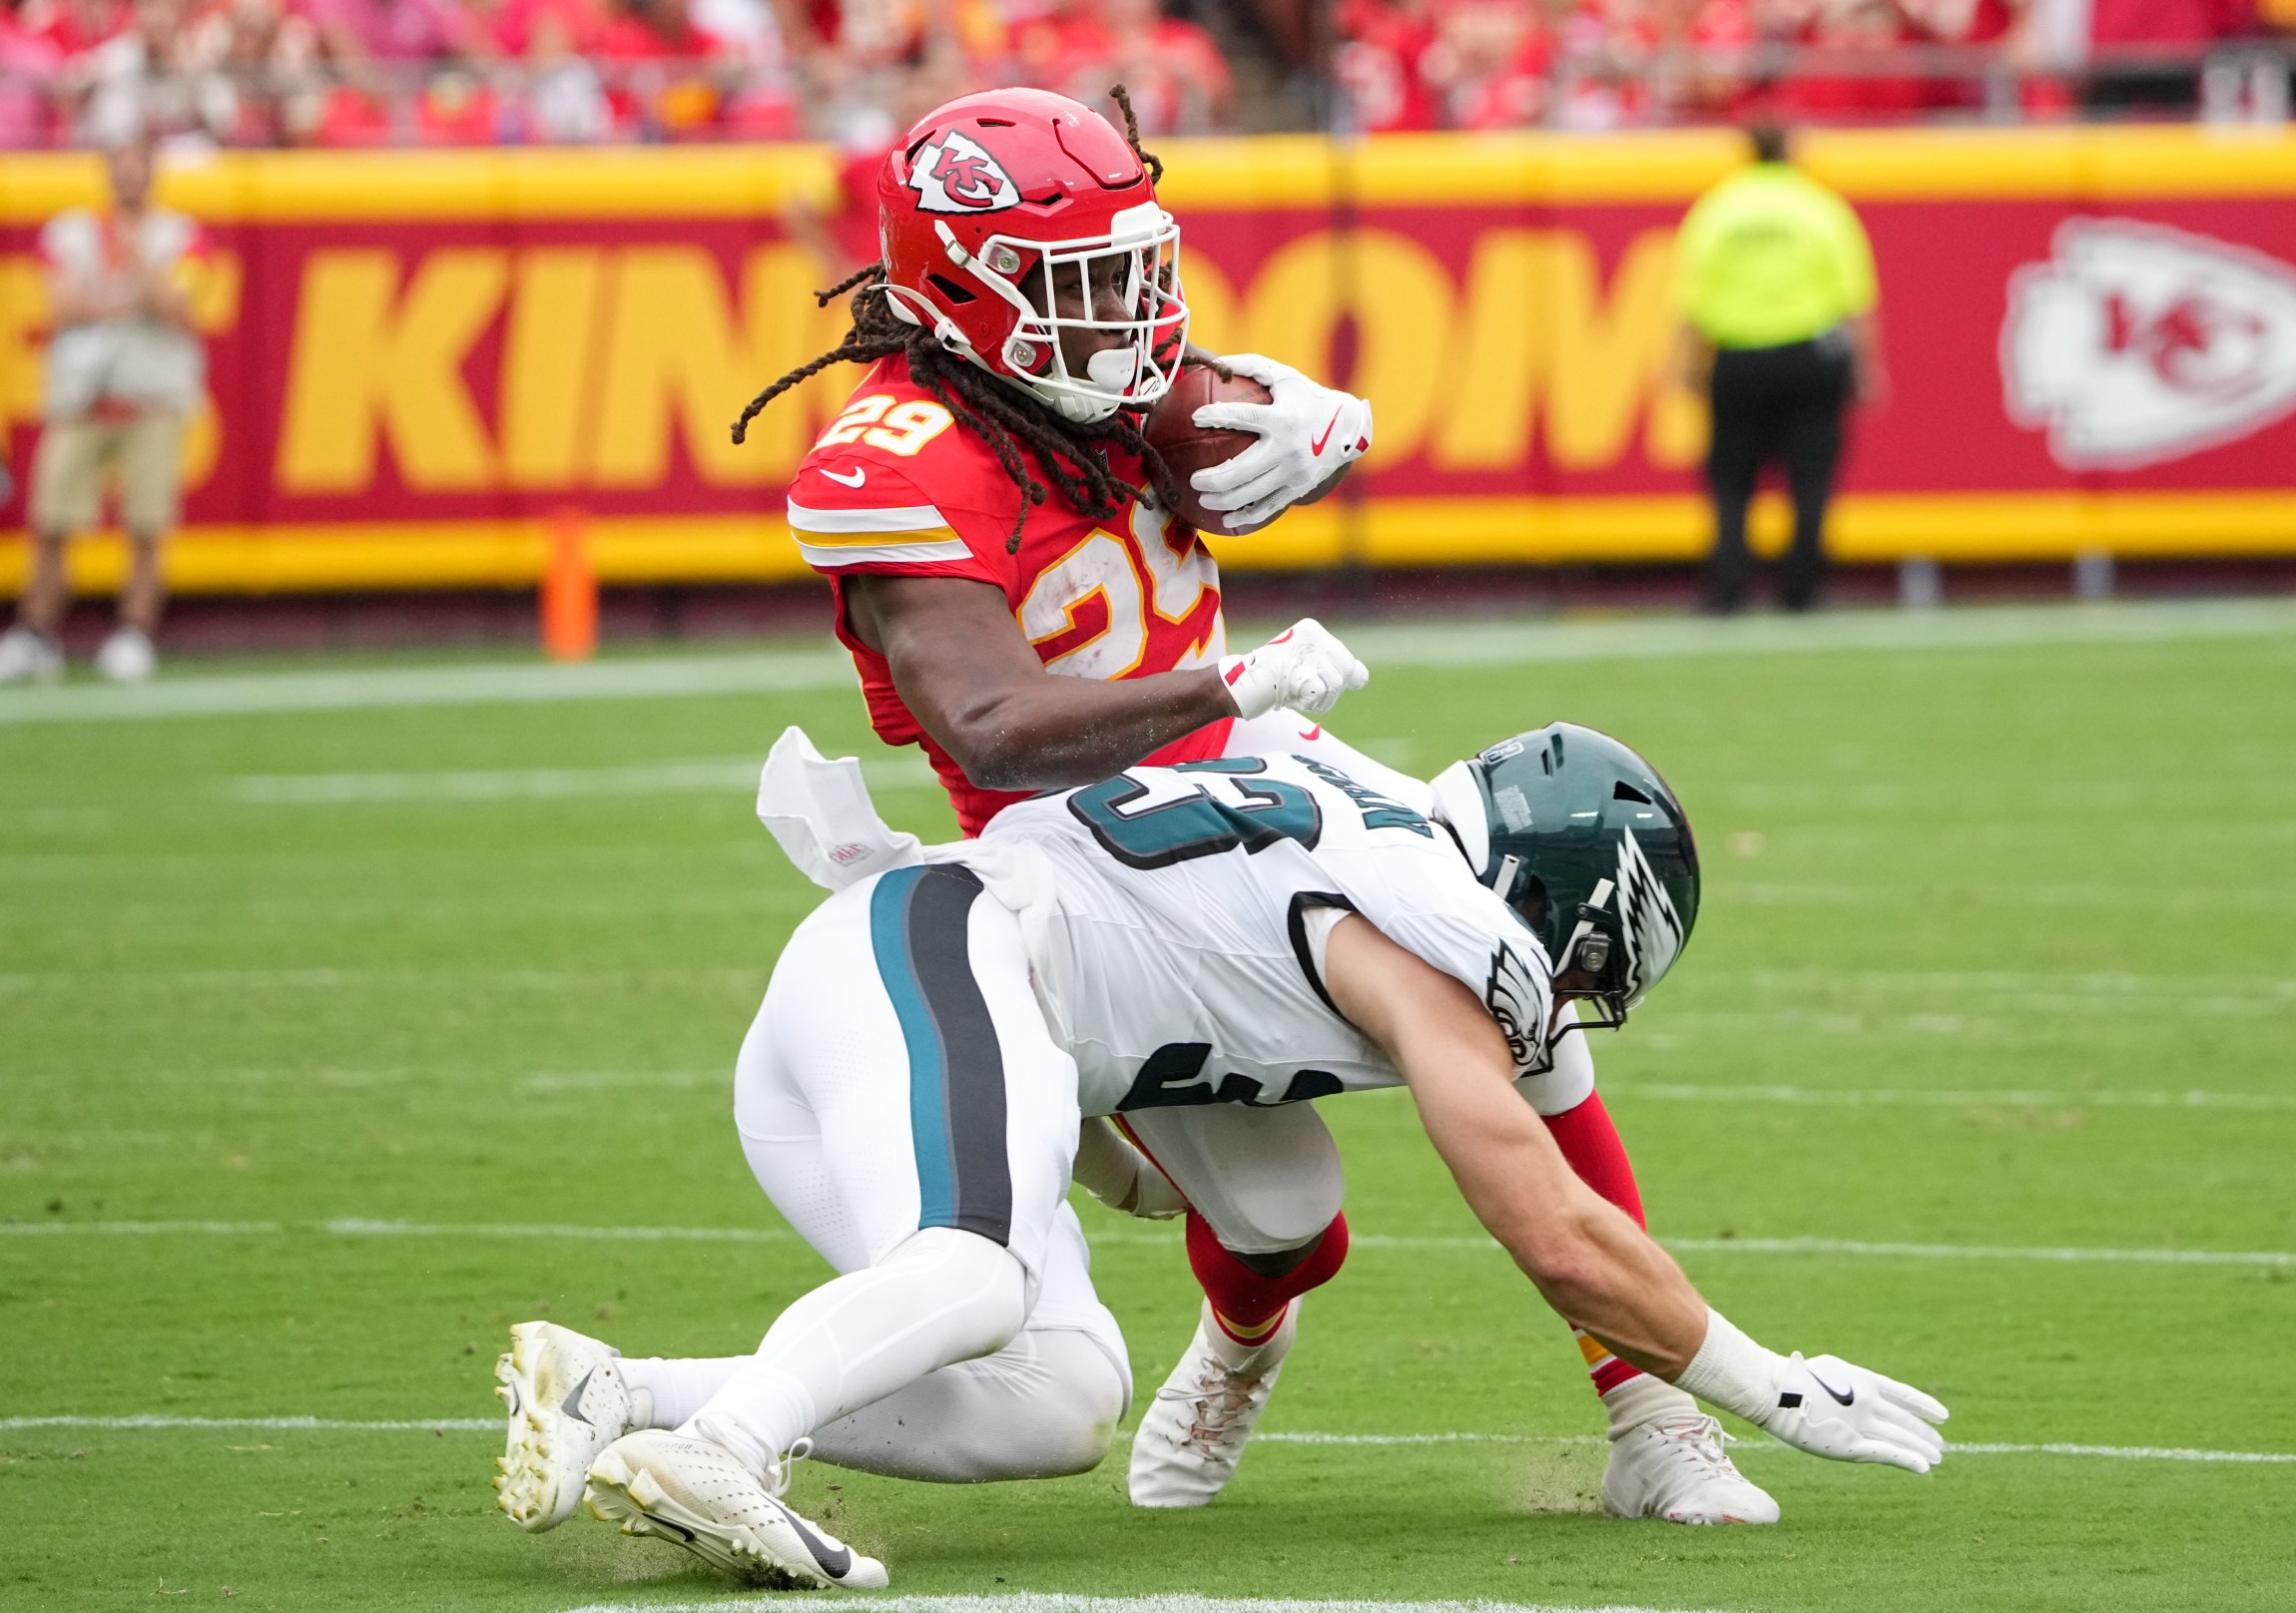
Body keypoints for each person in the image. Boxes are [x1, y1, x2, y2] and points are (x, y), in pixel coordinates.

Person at [726, 82, 1768, 1523]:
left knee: (1510, 996)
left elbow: (1188, 395)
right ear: (968, 299)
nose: (1135, 318)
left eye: (1139, 271)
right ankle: (1219, 1309)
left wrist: (1320, 415)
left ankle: (1646, 1415)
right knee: (1283, 1215)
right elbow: (994, 724)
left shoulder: (1093, 373)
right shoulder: (888, 463)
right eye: (1089, 286)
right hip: (1081, 865)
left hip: (1245, 786)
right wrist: (1226, 686)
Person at [489, 723, 1950, 1588]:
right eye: (1577, 974)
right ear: (1551, 910)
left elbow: (1564, 1135)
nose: (1561, 1015)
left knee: (1062, 1400)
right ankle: (731, 1455)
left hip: (973, 1019)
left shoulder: (1401, 839)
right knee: (977, 1270)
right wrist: (1767, 1388)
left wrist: (1655, 1425)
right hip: (930, 956)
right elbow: (1554, 1226)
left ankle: (625, 1396)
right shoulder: (1421, 929)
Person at [0, 134, 204, 686]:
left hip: (150, 398)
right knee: (51, 523)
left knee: (146, 526)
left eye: (139, 168)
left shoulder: (178, 234)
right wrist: (127, 297)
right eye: (121, 167)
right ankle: (37, 632)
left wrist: (133, 260)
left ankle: (135, 632)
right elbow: (60, 305)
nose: (129, 178)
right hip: (82, 399)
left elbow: (177, 306)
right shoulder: (71, 230)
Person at [1673, 123, 1887, 615]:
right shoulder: (1820, 207)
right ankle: (1802, 589)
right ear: (1792, 152)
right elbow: (1855, 298)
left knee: (1730, 484)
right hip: (1809, 356)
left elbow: (1692, 298)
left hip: (1738, 356)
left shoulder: (1719, 209)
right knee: (1810, 480)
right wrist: (1868, 367)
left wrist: (1684, 365)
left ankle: (1728, 589)